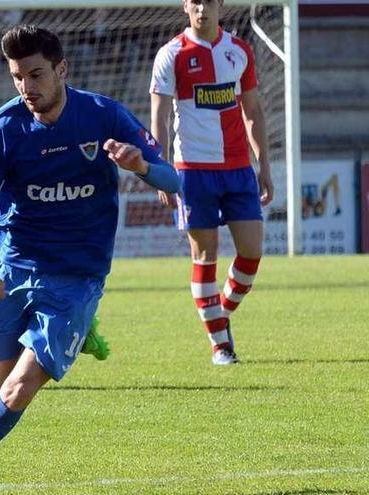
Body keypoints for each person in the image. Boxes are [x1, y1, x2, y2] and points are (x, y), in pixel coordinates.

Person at [0, 25, 180, 495]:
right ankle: (74, 338)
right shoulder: (3, 128)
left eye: (36, 74)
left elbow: (174, 181)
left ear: (62, 69)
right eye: (17, 76)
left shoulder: (103, 115)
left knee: (18, 389)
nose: (26, 87)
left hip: (78, 276)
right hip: (16, 267)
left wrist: (140, 166)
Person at [150, 0, 273, 365]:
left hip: (237, 168)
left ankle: (217, 313)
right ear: (185, 6)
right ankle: (221, 346)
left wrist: (264, 165)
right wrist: (159, 169)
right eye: (196, 1)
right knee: (205, 256)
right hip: (192, 171)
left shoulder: (239, 51)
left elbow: (252, 111)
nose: (203, 9)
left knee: (251, 253)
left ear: (221, 5)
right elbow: (158, 115)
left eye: (210, 1)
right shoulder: (171, 54)